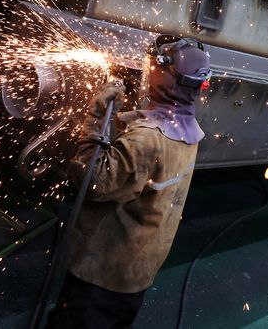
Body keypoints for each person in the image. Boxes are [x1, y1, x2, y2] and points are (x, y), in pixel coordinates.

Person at [46, 35, 211, 329]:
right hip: (137, 273)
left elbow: (93, 180)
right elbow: (137, 166)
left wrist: (96, 116)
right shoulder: (189, 131)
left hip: (102, 275)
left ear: (163, 73)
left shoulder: (146, 139)